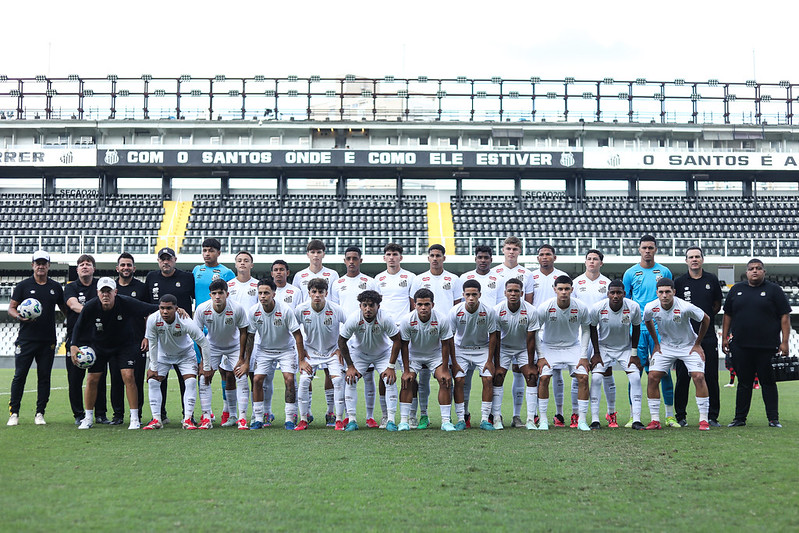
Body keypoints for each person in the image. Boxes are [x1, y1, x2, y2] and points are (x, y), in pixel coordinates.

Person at [71, 277, 159, 430]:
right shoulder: (90, 306)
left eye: (109, 291)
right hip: (98, 346)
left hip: (124, 345)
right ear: (97, 293)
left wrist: (172, 307)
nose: (106, 295)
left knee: (128, 376)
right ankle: (88, 418)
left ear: (115, 292)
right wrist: (73, 345)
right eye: (102, 292)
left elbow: (150, 308)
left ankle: (134, 418)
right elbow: (78, 327)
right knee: (92, 378)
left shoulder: (126, 302)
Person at [723, 259, 791, 428]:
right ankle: (739, 418)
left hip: (767, 347)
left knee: (768, 383)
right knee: (744, 383)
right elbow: (727, 315)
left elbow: (785, 316)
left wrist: (785, 342)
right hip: (741, 346)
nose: (755, 271)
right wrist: (724, 337)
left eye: (758, 268)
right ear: (746, 272)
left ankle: (773, 419)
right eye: (751, 269)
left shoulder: (774, 290)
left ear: (764, 272)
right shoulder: (736, 290)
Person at [7, 250, 67, 427]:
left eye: (44, 263)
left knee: (44, 377)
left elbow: (65, 310)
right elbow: (11, 307)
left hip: (47, 340)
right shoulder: (23, 286)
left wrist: (73, 322)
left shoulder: (55, 287)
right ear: (32, 265)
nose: (41, 266)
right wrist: (19, 316)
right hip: (26, 339)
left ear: (48, 266)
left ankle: (40, 413)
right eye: (37, 263)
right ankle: (14, 413)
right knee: (19, 376)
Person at [622, 235, 677, 427]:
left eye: (650, 248)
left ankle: (669, 415)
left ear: (655, 249)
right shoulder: (630, 273)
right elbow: (626, 302)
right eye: (644, 247)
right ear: (639, 249)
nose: (647, 251)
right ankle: (633, 415)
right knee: (634, 372)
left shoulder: (664, 271)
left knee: (664, 373)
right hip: (637, 330)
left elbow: (668, 298)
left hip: (660, 330)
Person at [642, 278, 711, 430]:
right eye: (661, 292)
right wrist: (656, 343)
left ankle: (704, 420)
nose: (664, 295)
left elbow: (706, 319)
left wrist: (698, 343)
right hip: (665, 347)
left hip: (688, 346)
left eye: (668, 292)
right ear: (657, 293)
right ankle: (655, 420)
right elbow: (647, 321)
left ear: (674, 292)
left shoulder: (686, 307)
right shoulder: (650, 307)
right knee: (653, 377)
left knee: (699, 377)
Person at [239, 279, 306, 430]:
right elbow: (250, 337)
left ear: (274, 294)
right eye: (260, 293)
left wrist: (301, 360)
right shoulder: (254, 311)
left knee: (289, 379)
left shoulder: (285, 310)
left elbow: (297, 335)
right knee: (256, 380)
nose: (262, 296)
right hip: (264, 350)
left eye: (266, 293)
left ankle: (290, 418)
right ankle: (258, 418)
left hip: (286, 350)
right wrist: (246, 361)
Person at [410, 244, 463, 426]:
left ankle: (452, 418)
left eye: (438, 255)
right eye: (432, 255)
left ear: (443, 258)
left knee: (445, 377)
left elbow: (457, 307)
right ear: (428, 258)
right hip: (424, 335)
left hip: (445, 334)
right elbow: (414, 306)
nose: (435, 258)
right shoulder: (419, 279)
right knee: (421, 379)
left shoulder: (454, 279)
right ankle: (422, 415)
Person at [142, 294, 210, 430]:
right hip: (163, 355)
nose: (165, 312)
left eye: (169, 308)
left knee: (190, 382)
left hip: (185, 354)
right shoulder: (153, 320)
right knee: (154, 381)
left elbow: (203, 342)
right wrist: (153, 367)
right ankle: (157, 419)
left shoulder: (185, 321)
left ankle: (187, 419)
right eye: (162, 308)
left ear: (176, 308)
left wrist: (206, 365)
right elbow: (153, 343)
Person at [535, 275, 594, 431]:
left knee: (583, 377)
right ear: (554, 289)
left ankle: (581, 420)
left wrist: (583, 356)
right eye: (560, 289)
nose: (563, 292)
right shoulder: (545, 307)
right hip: (549, 346)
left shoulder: (580, 307)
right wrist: (540, 357)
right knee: (545, 377)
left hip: (572, 346)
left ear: (572, 290)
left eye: (567, 289)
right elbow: (534, 331)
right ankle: (543, 420)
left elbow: (586, 330)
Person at [331, 246, 381, 427]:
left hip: (367, 335)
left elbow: (377, 308)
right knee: (348, 377)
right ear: (344, 261)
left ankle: (369, 416)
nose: (351, 261)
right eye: (348, 258)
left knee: (368, 377)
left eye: (355, 258)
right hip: (346, 338)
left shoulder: (370, 281)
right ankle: (347, 416)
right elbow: (335, 314)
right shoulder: (337, 283)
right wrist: (337, 344)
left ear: (360, 260)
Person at [338, 290, 402, 431]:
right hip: (360, 354)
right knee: (351, 379)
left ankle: (390, 420)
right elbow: (342, 341)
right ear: (360, 306)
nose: (368, 309)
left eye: (371, 305)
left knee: (389, 380)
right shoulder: (354, 318)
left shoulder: (385, 318)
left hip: (382, 354)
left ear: (378, 306)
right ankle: (352, 420)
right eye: (364, 305)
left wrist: (391, 366)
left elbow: (397, 340)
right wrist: (350, 366)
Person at [674, 246, 723, 427]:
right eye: (690, 257)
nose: (694, 260)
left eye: (697, 257)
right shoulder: (679, 282)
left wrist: (705, 319)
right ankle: (681, 416)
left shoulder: (712, 279)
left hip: (707, 336)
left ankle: (712, 416)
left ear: (702, 259)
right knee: (682, 377)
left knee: (711, 376)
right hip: (684, 338)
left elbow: (716, 305)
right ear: (686, 261)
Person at [145, 246, 195, 423]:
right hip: (159, 334)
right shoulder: (151, 277)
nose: (165, 262)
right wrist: (146, 333)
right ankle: (160, 415)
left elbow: (196, 299)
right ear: (158, 261)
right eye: (162, 259)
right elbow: (146, 304)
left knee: (186, 378)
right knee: (159, 376)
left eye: (169, 258)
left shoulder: (187, 277)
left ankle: (187, 415)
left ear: (175, 260)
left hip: (182, 335)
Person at [292, 241, 339, 426]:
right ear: (308, 254)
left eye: (319, 252)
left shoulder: (332, 274)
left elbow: (334, 301)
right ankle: (307, 412)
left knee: (330, 372)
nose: (316, 255)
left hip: (327, 327)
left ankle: (331, 412)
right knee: (306, 374)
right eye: (312, 252)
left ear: (323, 254)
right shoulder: (300, 276)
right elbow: (298, 303)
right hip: (308, 329)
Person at [397, 288, 457, 431]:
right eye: (420, 304)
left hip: (434, 356)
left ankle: (446, 421)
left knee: (445, 380)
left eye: (427, 304)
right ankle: (404, 421)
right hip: (414, 356)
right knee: (407, 380)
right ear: (415, 305)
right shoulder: (407, 320)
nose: (423, 308)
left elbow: (446, 344)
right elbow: (404, 346)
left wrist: (445, 369)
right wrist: (406, 370)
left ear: (433, 305)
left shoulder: (441, 319)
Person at [193, 279, 249, 429]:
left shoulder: (237, 308)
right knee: (205, 377)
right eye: (214, 293)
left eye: (221, 293)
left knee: (241, 376)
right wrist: (203, 361)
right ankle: (206, 418)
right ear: (210, 295)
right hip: (212, 347)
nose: (217, 296)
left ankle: (241, 418)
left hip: (234, 347)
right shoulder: (202, 309)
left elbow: (244, 332)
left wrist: (241, 357)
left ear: (227, 294)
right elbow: (198, 336)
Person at [588, 280, 644, 429]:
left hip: (625, 348)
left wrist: (634, 353)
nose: (615, 295)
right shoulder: (598, 308)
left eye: (619, 292)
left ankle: (637, 419)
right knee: (597, 378)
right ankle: (595, 420)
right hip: (603, 348)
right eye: (612, 292)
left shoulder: (633, 307)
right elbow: (592, 329)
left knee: (635, 378)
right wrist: (596, 353)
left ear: (624, 294)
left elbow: (637, 329)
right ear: (607, 294)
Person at [293, 278, 347, 430]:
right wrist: (301, 352)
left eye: (321, 292)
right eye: (314, 292)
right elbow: (292, 330)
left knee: (337, 381)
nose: (317, 295)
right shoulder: (301, 309)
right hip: (311, 353)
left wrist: (341, 348)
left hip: (332, 352)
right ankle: (303, 419)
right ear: (309, 293)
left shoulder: (336, 309)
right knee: (304, 381)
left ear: (326, 293)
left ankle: (338, 419)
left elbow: (349, 328)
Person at [63, 254, 109, 425]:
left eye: (88, 264)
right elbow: (73, 305)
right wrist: (93, 311)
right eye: (81, 264)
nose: (85, 267)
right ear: (77, 269)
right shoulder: (71, 287)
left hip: (97, 338)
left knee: (99, 377)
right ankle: (78, 414)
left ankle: (101, 414)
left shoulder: (99, 285)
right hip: (76, 339)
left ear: (93, 269)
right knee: (75, 379)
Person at [449, 279, 500, 431]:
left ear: (480, 295)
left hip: (482, 349)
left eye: (474, 294)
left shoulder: (488, 311)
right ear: (463, 294)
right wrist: (454, 361)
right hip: (461, 349)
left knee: (488, 379)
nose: (471, 298)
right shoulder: (455, 311)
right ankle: (461, 418)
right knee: (459, 381)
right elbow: (449, 338)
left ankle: (485, 419)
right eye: (468, 294)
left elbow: (493, 336)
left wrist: (490, 360)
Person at [572, 249, 614, 428]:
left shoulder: (607, 283)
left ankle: (611, 413)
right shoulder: (576, 282)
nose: (591, 262)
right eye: (589, 259)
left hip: (601, 333)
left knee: (606, 372)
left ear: (601, 263)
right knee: (578, 374)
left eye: (595, 259)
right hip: (580, 333)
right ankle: (576, 414)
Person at [376, 243, 416, 428]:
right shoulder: (378, 278)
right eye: (388, 254)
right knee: (385, 373)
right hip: (385, 332)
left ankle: (412, 415)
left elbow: (413, 304)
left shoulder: (410, 277)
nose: (391, 257)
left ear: (401, 257)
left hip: (404, 330)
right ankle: (385, 414)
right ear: (384, 258)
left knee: (410, 373)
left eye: (395, 254)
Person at [530, 244, 568, 427]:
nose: (545, 257)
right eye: (542, 255)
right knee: (539, 373)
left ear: (554, 257)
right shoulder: (531, 276)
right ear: (538, 258)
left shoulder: (561, 277)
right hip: (537, 328)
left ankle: (559, 413)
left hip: (556, 328)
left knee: (557, 372)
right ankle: (536, 413)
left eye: (548, 254)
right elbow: (528, 302)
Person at [494, 278, 539, 430]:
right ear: (505, 292)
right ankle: (497, 417)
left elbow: (531, 338)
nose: (513, 294)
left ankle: (530, 419)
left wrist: (531, 364)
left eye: (516, 291)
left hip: (523, 349)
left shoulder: (531, 310)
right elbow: (495, 337)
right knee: (498, 375)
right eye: (510, 291)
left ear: (522, 293)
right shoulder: (497, 310)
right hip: (504, 348)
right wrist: (497, 361)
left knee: (532, 377)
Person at [266, 259, 305, 425]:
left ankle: (293, 413)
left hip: (289, 342)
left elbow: (299, 316)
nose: (279, 272)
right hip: (268, 342)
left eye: (282, 269)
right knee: (265, 378)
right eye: (275, 269)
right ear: (272, 273)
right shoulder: (265, 291)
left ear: (287, 273)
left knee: (291, 379)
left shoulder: (295, 291)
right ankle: (266, 412)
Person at [226, 250, 259, 425]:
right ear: (235, 264)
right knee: (231, 376)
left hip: (254, 337)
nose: (243, 263)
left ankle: (255, 414)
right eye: (239, 260)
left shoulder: (258, 286)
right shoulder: (228, 286)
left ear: (251, 265)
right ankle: (232, 415)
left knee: (254, 376)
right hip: (233, 337)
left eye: (246, 260)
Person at [115, 252, 149, 418]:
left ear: (134, 268)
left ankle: (137, 413)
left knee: (136, 379)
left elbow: (148, 314)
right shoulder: (112, 288)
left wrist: (147, 336)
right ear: (117, 268)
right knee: (116, 380)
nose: (126, 268)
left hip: (136, 341)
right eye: (123, 265)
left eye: (129, 265)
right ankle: (118, 414)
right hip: (114, 342)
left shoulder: (141, 288)